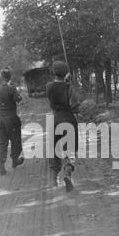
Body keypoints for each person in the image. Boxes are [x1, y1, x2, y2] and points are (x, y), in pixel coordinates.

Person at [46, 61, 79, 192]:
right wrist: (69, 83)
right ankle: (67, 174)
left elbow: (55, 89)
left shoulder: (48, 86)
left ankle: (53, 179)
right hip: (68, 119)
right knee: (69, 150)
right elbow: (75, 106)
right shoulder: (69, 87)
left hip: (54, 120)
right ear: (66, 73)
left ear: (53, 72)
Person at [0, 68, 24, 175]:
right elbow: (18, 100)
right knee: (15, 140)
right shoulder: (12, 88)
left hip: (1, 119)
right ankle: (15, 161)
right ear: (10, 77)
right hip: (11, 119)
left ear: (1, 77)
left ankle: (1, 164)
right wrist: (18, 94)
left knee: (2, 142)